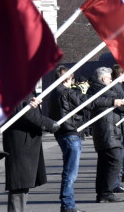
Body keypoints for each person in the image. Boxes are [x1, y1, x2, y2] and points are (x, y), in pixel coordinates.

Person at [3, 94, 59, 212]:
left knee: (22, 187)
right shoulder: (16, 90)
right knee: (19, 186)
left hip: (24, 144)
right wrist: (49, 124)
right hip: (20, 145)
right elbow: (24, 113)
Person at [47, 65, 88, 212]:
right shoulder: (67, 92)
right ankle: (68, 204)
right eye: (72, 78)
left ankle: (67, 203)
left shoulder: (54, 93)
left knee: (69, 171)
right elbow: (87, 102)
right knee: (71, 172)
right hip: (70, 133)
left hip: (62, 133)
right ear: (67, 79)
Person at [87, 67, 124, 203]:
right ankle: (106, 192)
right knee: (115, 160)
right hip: (107, 131)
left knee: (104, 163)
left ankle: (102, 193)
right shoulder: (99, 90)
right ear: (104, 79)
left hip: (107, 131)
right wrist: (113, 101)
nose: (111, 80)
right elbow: (95, 102)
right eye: (110, 78)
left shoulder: (99, 89)